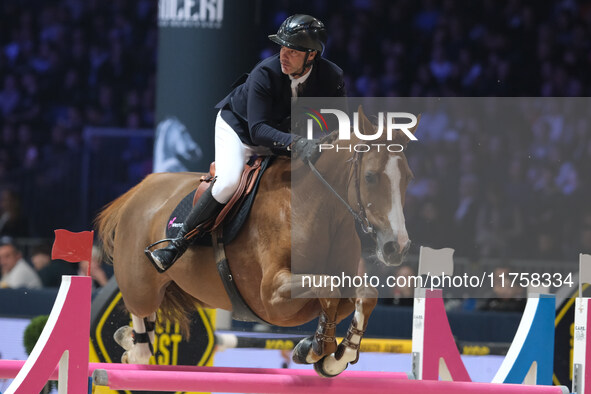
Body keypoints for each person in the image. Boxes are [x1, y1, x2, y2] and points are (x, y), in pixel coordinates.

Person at [146, 14, 346, 272]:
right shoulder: (265, 72)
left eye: (292, 51)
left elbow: (338, 124)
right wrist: (298, 142)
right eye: (282, 47)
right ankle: (176, 244)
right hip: (240, 130)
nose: (283, 55)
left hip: (282, 138)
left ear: (311, 56)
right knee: (229, 182)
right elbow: (259, 129)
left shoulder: (332, 77)